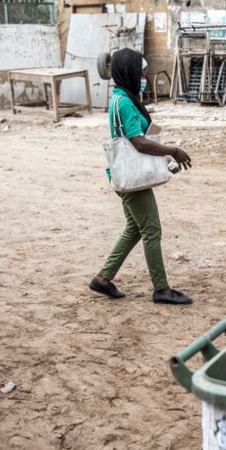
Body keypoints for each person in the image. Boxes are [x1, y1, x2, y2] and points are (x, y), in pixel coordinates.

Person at [90, 48, 193, 305]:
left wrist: (165, 157)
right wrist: (173, 150)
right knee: (151, 229)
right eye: (142, 73)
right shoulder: (124, 102)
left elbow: (139, 140)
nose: (144, 77)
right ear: (130, 72)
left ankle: (103, 279)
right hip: (132, 179)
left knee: (135, 229)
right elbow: (138, 142)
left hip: (126, 175)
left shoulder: (121, 98)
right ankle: (161, 288)